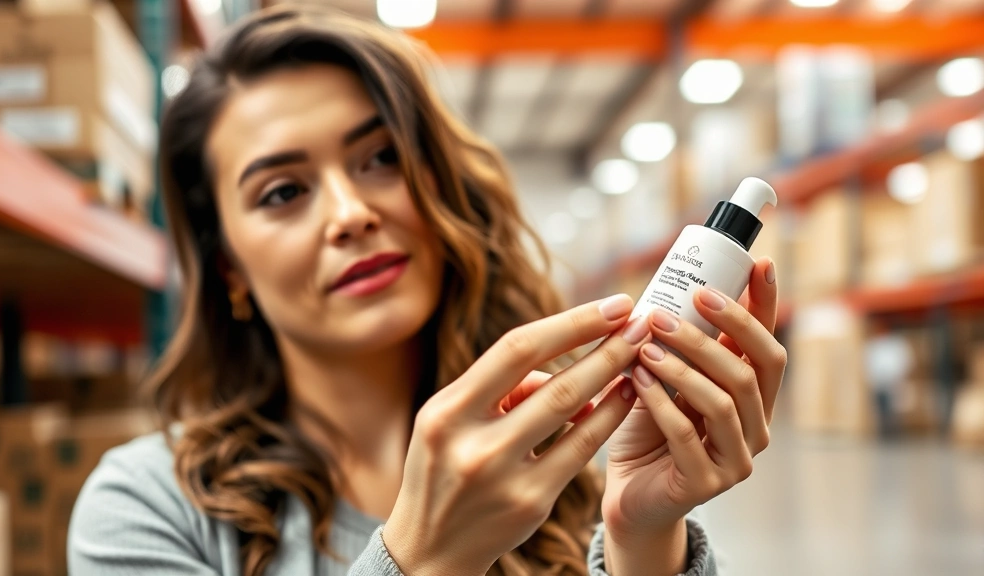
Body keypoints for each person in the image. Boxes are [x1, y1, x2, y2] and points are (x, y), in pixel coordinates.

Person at [67, 6, 787, 576]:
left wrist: (641, 542)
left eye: (381, 157)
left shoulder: (560, 471)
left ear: (441, 186)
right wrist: (420, 561)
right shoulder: (144, 508)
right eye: (283, 191)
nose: (350, 214)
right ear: (228, 267)